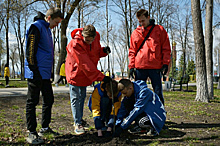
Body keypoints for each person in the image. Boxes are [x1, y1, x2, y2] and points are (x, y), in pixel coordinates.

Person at [24, 7, 63, 144]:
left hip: (45, 74)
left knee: (49, 99)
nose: (57, 25)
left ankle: (45, 128)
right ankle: (32, 133)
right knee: (32, 102)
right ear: (49, 18)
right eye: (56, 22)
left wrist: (50, 73)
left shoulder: (47, 30)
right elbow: (30, 51)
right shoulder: (36, 27)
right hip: (36, 72)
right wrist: (34, 70)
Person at [65, 24, 111, 135]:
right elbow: (84, 63)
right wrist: (101, 77)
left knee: (82, 97)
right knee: (76, 98)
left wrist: (103, 51)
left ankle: (80, 119)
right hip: (75, 72)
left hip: (86, 75)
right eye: (87, 40)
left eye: (91, 40)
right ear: (82, 35)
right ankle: (77, 123)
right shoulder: (75, 44)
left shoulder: (96, 38)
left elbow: (94, 53)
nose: (89, 42)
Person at [128, 9, 171, 105]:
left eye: (143, 21)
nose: (141, 23)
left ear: (148, 18)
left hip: (155, 67)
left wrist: (165, 63)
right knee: (139, 93)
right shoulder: (135, 33)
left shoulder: (159, 30)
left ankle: (160, 114)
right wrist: (131, 66)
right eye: (139, 21)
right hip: (140, 67)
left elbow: (166, 48)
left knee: (158, 93)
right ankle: (139, 115)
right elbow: (132, 51)